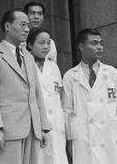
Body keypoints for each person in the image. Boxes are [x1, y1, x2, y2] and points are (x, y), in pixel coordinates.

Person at [0, 9, 50, 164]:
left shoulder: (29, 57)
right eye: (23, 24)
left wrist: (43, 127)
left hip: (32, 128)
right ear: (7, 26)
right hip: (7, 129)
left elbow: (37, 94)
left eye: (28, 26)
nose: (27, 29)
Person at [63, 28, 117, 164]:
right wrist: (69, 140)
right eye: (94, 43)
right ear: (81, 46)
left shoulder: (112, 73)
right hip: (83, 138)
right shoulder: (70, 76)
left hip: (109, 136)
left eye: (101, 43)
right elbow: (67, 110)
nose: (99, 47)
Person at [26, 28, 68, 164]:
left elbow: (61, 97)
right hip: (35, 125)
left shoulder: (54, 67)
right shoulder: (24, 65)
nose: (46, 47)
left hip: (56, 124)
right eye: (41, 43)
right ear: (30, 45)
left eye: (48, 43)